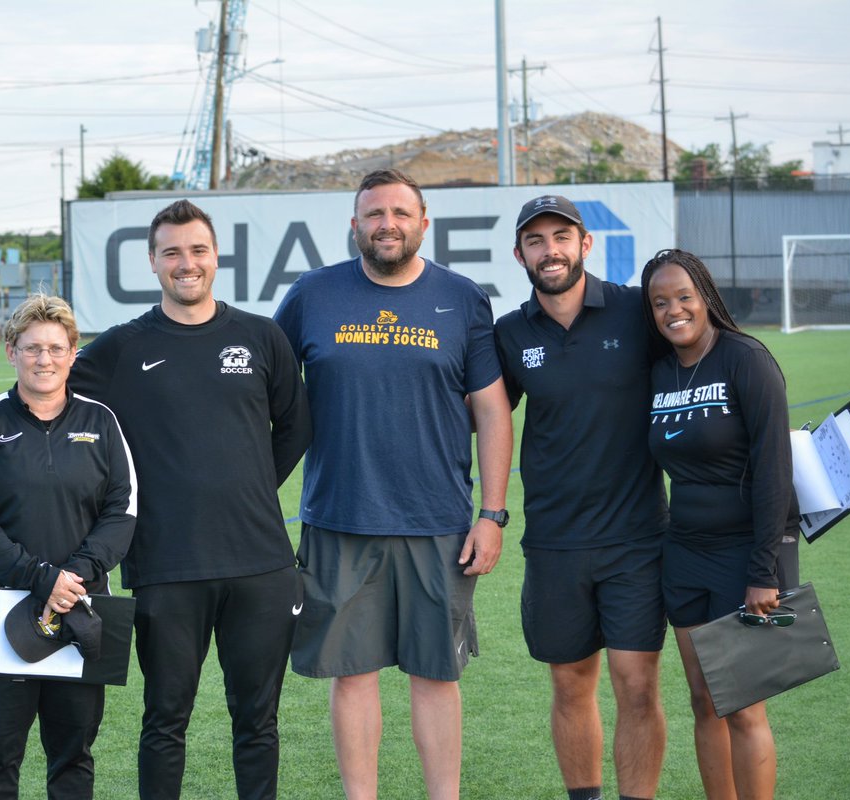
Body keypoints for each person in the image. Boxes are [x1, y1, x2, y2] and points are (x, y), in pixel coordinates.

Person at [273, 168, 513, 800]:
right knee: (352, 675)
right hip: (339, 516)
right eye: (374, 214)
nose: (387, 225)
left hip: (437, 520)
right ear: (354, 225)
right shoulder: (312, 295)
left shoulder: (461, 298)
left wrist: (492, 514)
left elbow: (492, 410)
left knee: (436, 676)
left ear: (423, 223)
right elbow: (266, 393)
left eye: (401, 214)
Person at [66, 199, 311, 800]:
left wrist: (250, 487)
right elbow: (47, 393)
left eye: (197, 250)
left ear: (216, 256)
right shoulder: (121, 348)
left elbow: (296, 427)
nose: (186, 263)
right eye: (172, 252)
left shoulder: (261, 336)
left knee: (258, 721)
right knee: (165, 719)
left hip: (261, 565)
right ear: (152, 261)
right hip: (167, 567)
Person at [493, 195, 669, 800]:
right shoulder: (510, 332)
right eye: (536, 241)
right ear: (519, 254)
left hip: (636, 540)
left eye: (561, 237)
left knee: (637, 686)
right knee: (570, 684)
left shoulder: (634, 311)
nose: (551, 251)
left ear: (585, 244)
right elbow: (483, 415)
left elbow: (705, 364)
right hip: (554, 542)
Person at [0, 294, 137, 799]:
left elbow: (122, 510)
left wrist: (72, 577)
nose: (44, 359)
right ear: (11, 351)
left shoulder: (102, 421)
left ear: (73, 353)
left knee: (73, 757)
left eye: (56, 348)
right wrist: (41, 578)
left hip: (81, 608)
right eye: (32, 348)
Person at [641, 249, 797, 800]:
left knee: (744, 706)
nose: (674, 310)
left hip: (743, 555)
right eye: (660, 302)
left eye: (684, 297)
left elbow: (775, 472)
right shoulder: (660, 371)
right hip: (684, 554)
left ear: (705, 296)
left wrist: (763, 571)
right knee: (704, 700)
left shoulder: (745, 359)